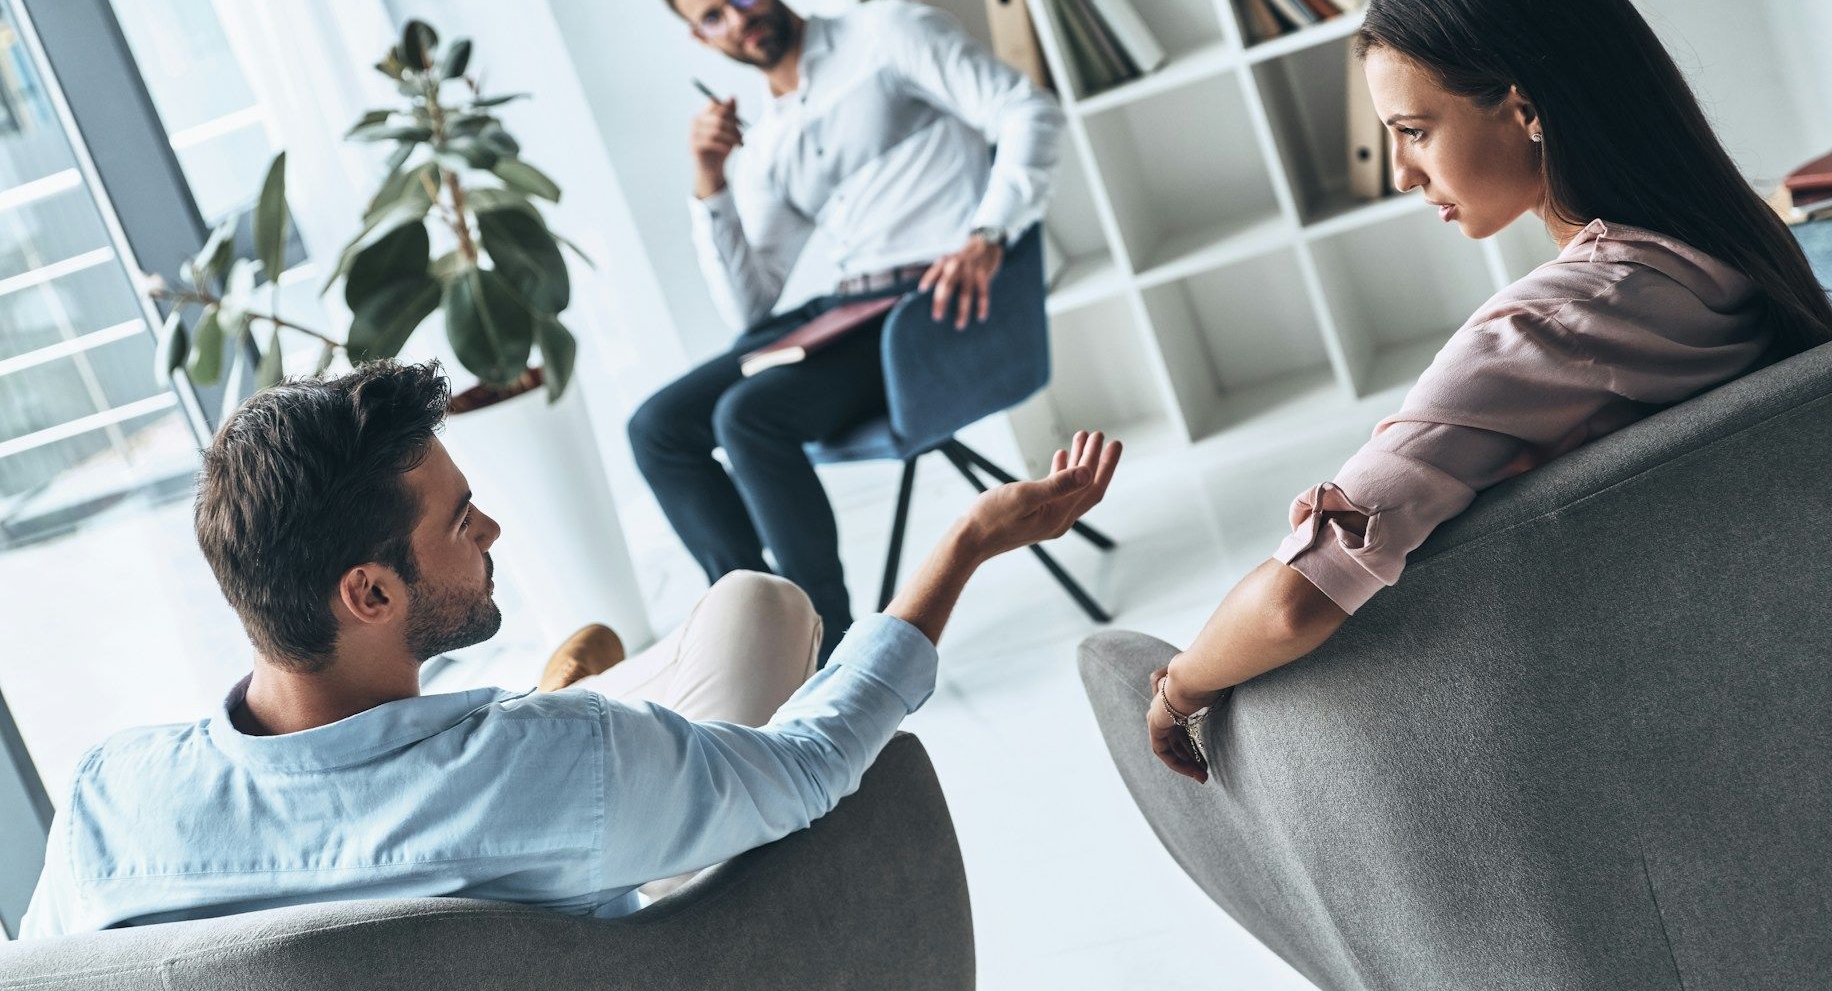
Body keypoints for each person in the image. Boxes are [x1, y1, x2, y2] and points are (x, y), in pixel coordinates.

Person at [19, 360, 1120, 937]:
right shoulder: (546, 767)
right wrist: (968, 543)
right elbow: (814, 765)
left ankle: (575, 672)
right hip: (643, 952)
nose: (490, 530)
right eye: (459, 520)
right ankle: (583, 679)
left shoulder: (113, 803)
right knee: (760, 615)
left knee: (725, 629)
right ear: (367, 590)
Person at [1147, 0, 1832, 782]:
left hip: (1600, 742)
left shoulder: (1550, 326)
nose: (1400, 173)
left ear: (1522, 108)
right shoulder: (1735, 250)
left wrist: (1176, 688)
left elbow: (1295, 603)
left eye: (1414, 130)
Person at [628, 0, 1066, 665]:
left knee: (749, 415)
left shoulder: (885, 34)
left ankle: (822, 648)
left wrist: (990, 234)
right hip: (846, 310)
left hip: (928, 308)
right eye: (713, 17)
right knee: (657, 428)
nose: (738, 20)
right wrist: (710, 182)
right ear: (699, 38)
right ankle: (751, 628)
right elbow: (752, 306)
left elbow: (1028, 111)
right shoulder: (768, 143)